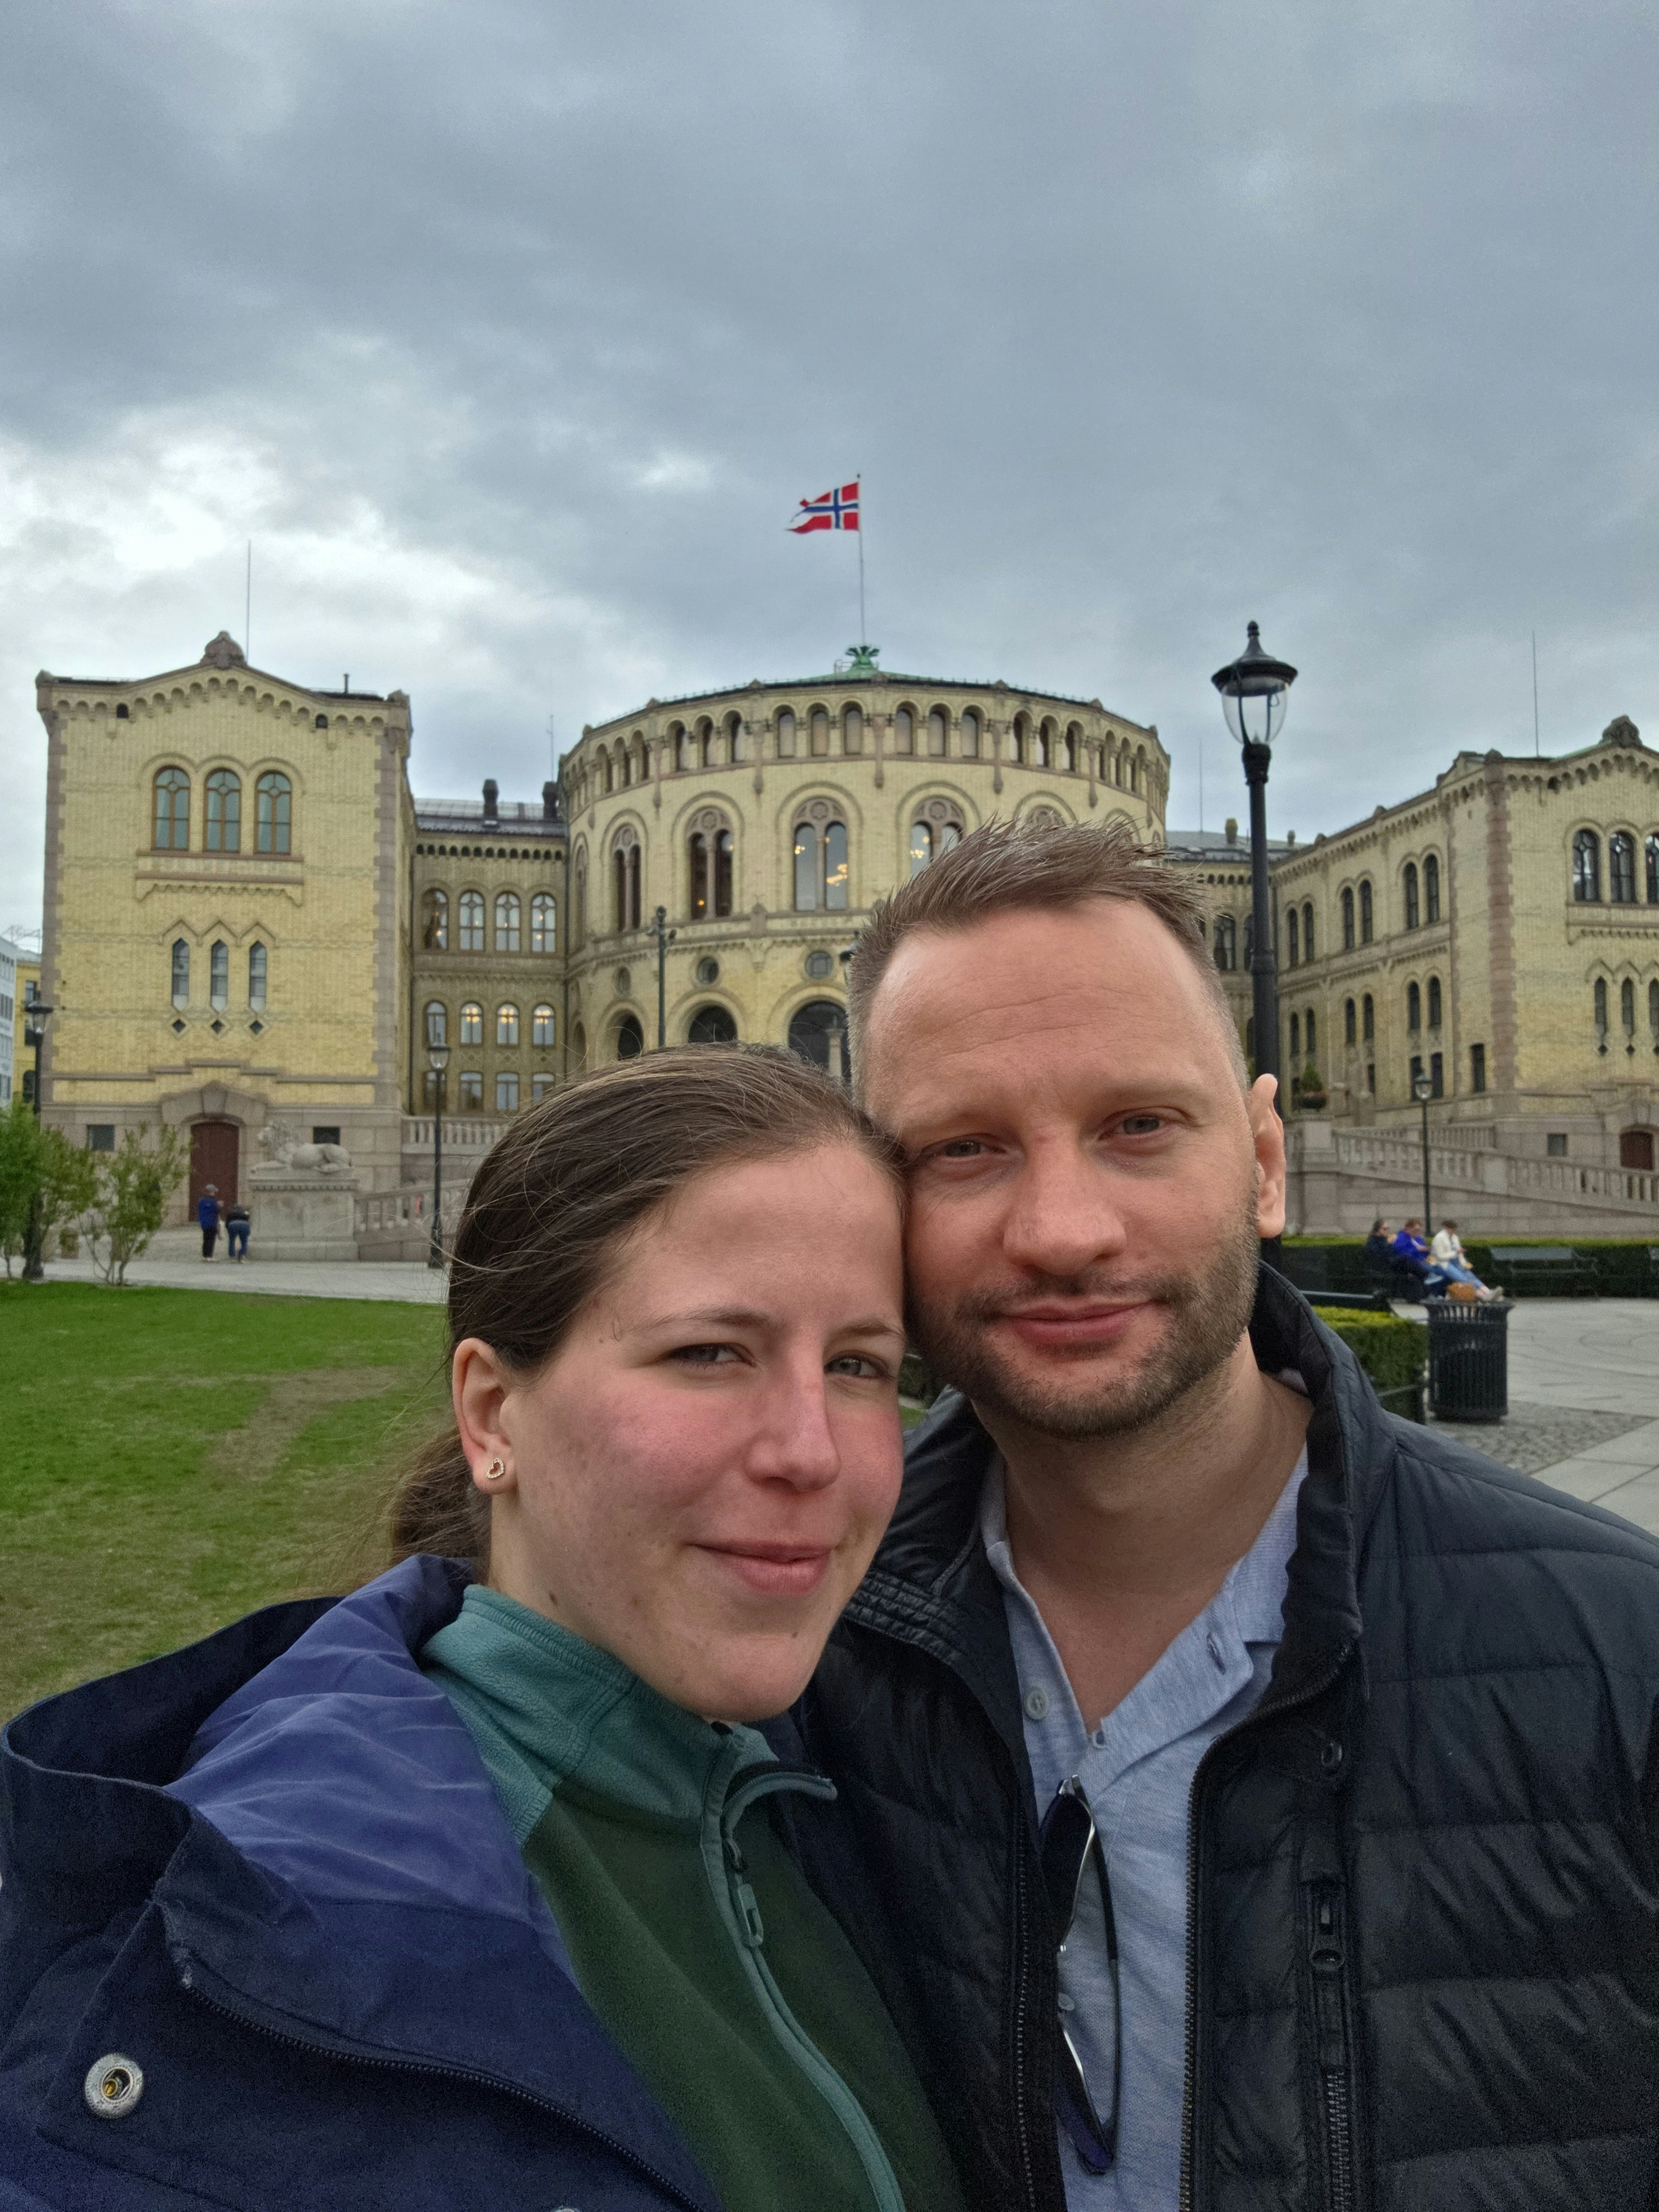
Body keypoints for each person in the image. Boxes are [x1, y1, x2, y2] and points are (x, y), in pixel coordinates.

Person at [779, 821, 1659, 2211]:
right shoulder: (788, 1660)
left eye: (1137, 1125)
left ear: (1261, 1156)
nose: (1060, 1228)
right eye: (962, 1148)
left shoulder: (1622, 1661)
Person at [0, 1049, 966, 2212]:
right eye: (710, 1351)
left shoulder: (881, 1791)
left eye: (861, 1364)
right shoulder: (263, 1953)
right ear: (491, 1412)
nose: (811, 1449)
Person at [1431, 1217, 1500, 1298]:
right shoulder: (1439, 1238)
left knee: (1471, 1277)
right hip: (1444, 1264)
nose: (1453, 1232)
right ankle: (1482, 1296)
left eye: (1454, 1230)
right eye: (1451, 1229)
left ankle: (1488, 1292)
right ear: (1446, 1228)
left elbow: (1460, 1254)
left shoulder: (1455, 1237)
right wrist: (1456, 1252)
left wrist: (1464, 1264)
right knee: (1463, 1279)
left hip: (1457, 1262)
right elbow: (1440, 1256)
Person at [195, 1181, 221, 1260]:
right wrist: (219, 1206)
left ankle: (205, 1256)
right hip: (212, 1223)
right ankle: (209, 1256)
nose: (214, 1193)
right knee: (211, 1240)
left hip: (204, 1223)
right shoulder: (213, 1202)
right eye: (214, 1192)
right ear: (211, 1192)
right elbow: (217, 1210)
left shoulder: (201, 1201)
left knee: (206, 1240)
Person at [223, 1196, 251, 1260]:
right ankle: (242, 1255)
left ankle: (232, 1256)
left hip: (233, 1225)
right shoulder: (245, 1212)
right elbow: (248, 1219)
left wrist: (228, 1229)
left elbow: (227, 1222)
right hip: (244, 1225)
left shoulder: (231, 1213)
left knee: (232, 1241)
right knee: (244, 1241)